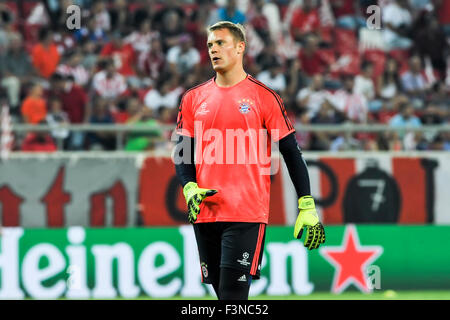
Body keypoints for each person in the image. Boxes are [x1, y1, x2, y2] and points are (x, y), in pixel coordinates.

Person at [173, 21, 325, 301]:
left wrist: (306, 203)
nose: (213, 50)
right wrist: (189, 187)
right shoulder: (193, 98)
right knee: (224, 297)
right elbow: (181, 152)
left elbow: (291, 152)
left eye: (220, 43)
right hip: (205, 211)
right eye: (209, 45)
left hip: (245, 212)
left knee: (232, 296)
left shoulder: (264, 97)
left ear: (240, 47)